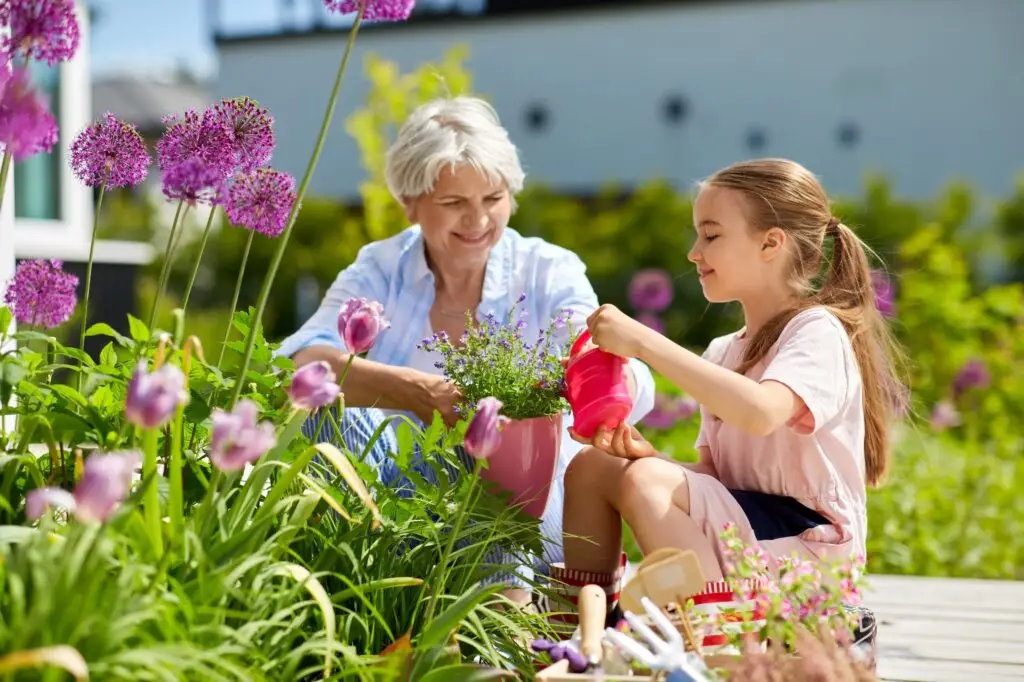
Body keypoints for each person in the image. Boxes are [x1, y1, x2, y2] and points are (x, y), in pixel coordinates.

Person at [274, 95, 656, 604]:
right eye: (454, 203)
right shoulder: (381, 266)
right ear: (410, 204)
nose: (478, 220)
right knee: (324, 409)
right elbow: (302, 362)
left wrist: (599, 389)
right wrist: (416, 392)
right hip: (404, 504)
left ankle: (495, 625)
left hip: (528, 511)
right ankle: (373, 596)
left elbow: (601, 355)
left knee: (487, 474)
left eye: (493, 199)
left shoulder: (547, 268)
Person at [550, 158, 896, 665]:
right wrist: (653, 459)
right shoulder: (723, 350)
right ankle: (581, 642)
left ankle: (716, 657)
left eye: (711, 236)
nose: (694, 253)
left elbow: (760, 412)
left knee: (644, 482)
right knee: (594, 467)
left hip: (809, 552)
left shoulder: (817, 331)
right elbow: (717, 482)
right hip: (753, 537)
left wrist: (645, 343)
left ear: (770, 244)